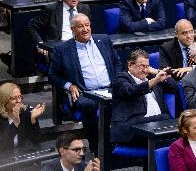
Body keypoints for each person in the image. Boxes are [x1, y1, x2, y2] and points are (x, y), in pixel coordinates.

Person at [48, 13, 122, 153]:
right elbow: (52, 75)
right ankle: (96, 146)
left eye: (87, 25)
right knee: (88, 105)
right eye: (80, 26)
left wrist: (117, 80)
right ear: (73, 29)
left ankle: (115, 141)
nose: (85, 29)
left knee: (127, 97)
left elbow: (117, 62)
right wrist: (69, 85)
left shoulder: (104, 40)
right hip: (86, 92)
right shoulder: (62, 49)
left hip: (110, 87)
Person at [110, 49, 178, 143]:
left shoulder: (151, 78)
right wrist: (155, 80)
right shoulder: (120, 79)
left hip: (156, 126)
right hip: (132, 128)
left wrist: (156, 72)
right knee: (166, 120)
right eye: (142, 66)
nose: (145, 70)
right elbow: (132, 91)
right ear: (130, 65)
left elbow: (175, 88)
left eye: (147, 66)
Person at [0, 82, 45, 151]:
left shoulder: (26, 112)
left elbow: (36, 140)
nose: (18, 101)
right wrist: (15, 122)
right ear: (4, 100)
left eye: (19, 97)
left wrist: (33, 120)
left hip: (24, 155)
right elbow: (3, 146)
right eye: (14, 98)